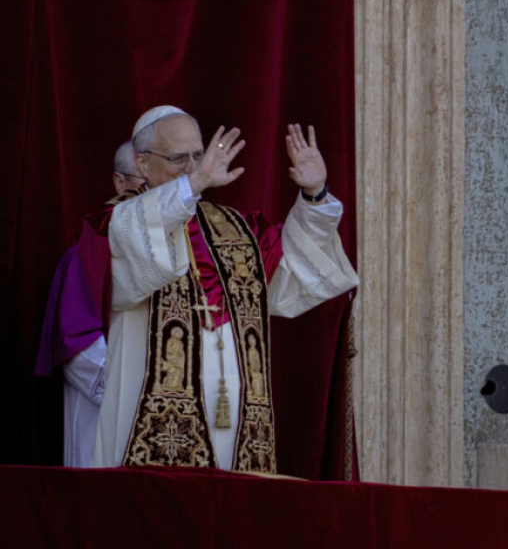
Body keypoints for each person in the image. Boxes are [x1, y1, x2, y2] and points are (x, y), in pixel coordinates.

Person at [84, 105, 358, 473]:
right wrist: (195, 183)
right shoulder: (118, 221)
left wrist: (314, 193)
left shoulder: (232, 227)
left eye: (198, 156)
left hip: (235, 418)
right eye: (179, 158)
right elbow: (137, 241)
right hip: (148, 418)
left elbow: (292, 262)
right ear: (142, 163)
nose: (193, 167)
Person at [35, 141, 145, 467]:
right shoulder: (88, 256)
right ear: (120, 182)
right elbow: (77, 345)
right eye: (145, 184)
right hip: (105, 411)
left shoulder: (187, 258)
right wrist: (141, 389)